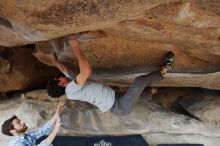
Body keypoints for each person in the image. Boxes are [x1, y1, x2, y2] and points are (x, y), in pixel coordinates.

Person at [47, 35, 175, 116]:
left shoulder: (70, 83)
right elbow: (86, 71)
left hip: (115, 97)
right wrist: (75, 47)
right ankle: (164, 70)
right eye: (59, 78)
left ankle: (151, 92)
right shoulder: (71, 90)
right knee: (138, 83)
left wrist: (55, 62)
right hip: (119, 106)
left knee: (138, 95)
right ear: (60, 83)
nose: (60, 76)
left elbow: (64, 70)